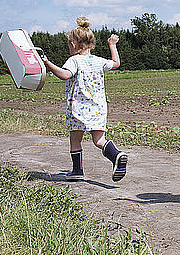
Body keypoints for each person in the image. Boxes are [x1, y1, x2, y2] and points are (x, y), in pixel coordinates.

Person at [42, 16, 127, 182]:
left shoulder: (74, 60)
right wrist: (112, 45)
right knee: (99, 139)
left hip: (78, 108)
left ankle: (77, 171)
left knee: (75, 139)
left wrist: (47, 63)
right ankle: (116, 155)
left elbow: (65, 75)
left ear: (73, 45)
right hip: (98, 107)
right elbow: (116, 63)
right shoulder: (98, 61)